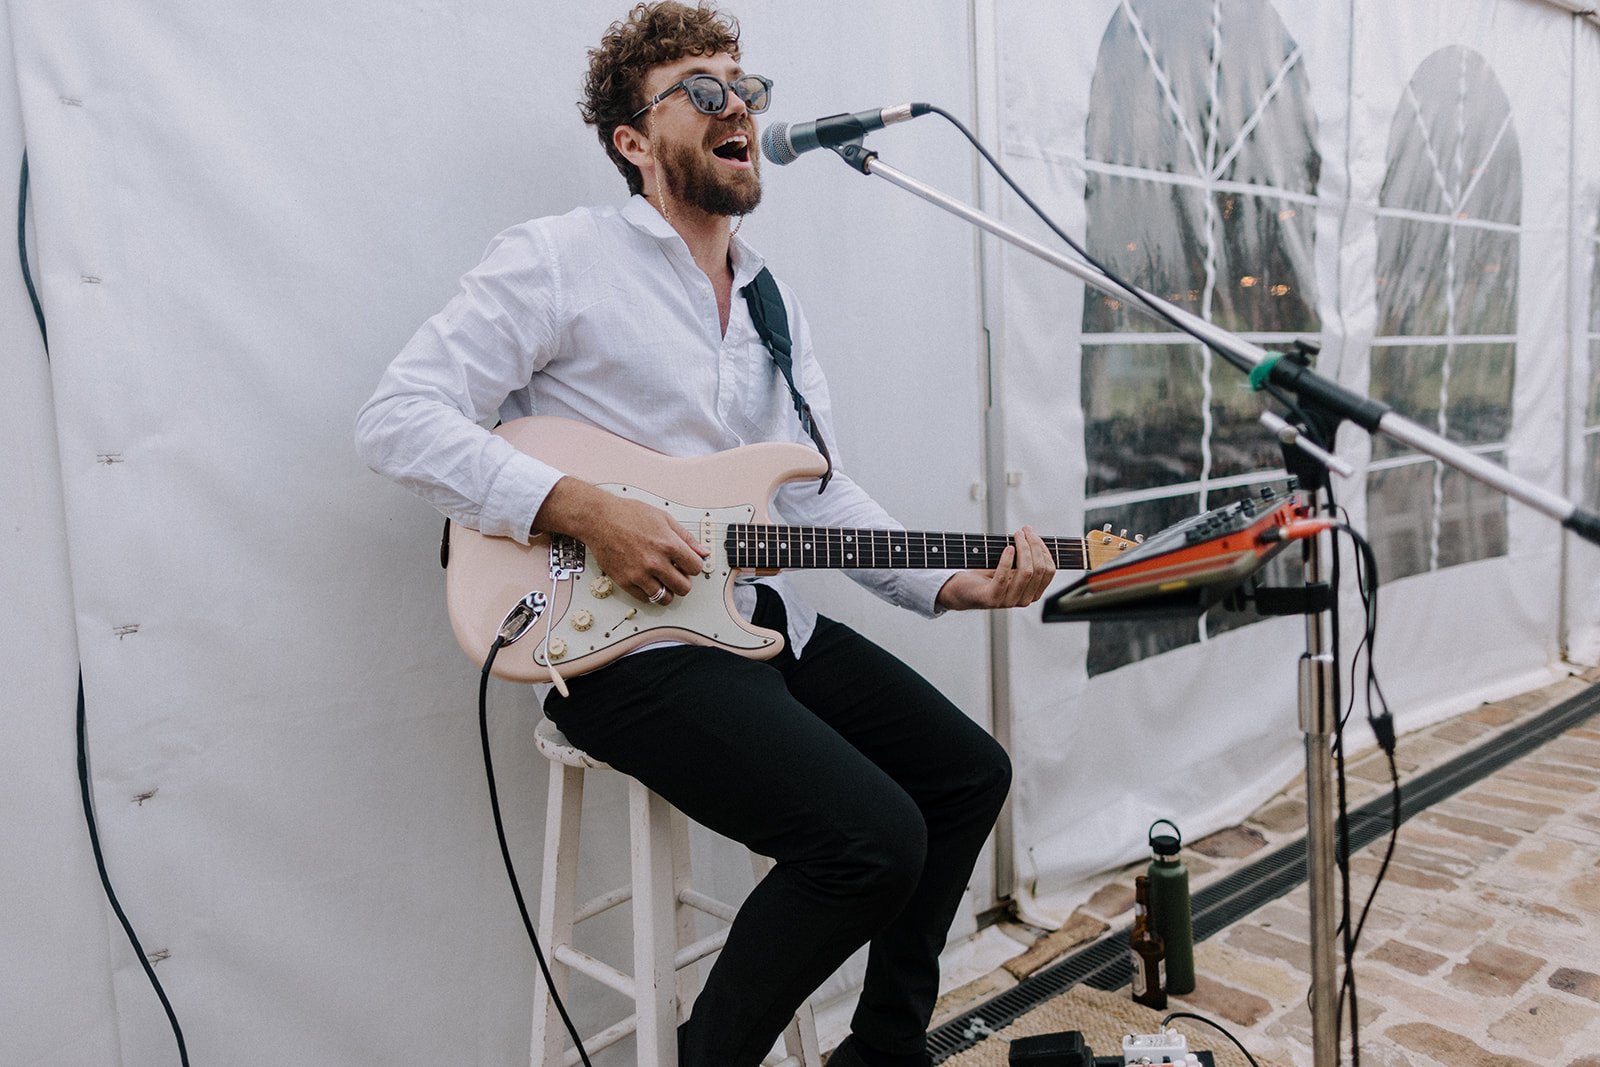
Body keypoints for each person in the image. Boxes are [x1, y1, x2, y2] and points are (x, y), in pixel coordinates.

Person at [355, 3, 1054, 1064]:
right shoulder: (558, 258)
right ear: (633, 141)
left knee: (966, 774)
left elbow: (815, 494)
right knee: (870, 837)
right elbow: (398, 417)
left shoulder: (772, 300)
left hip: (755, 623)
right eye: (704, 86)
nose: (740, 102)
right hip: (618, 647)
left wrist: (958, 582)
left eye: (745, 83)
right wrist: (583, 507)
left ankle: (884, 1048)